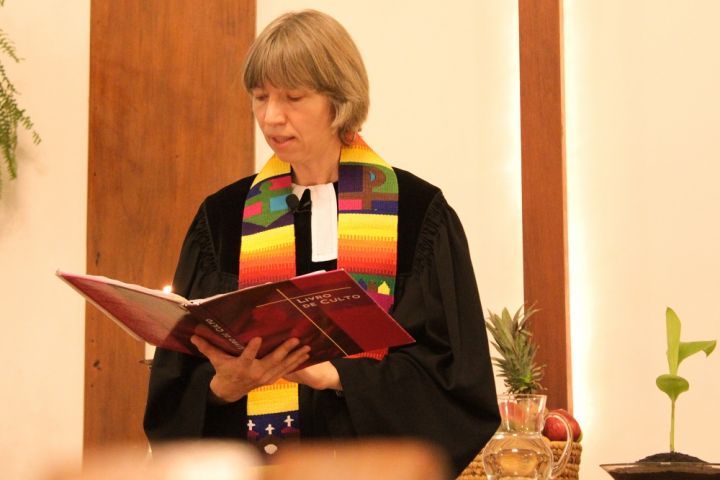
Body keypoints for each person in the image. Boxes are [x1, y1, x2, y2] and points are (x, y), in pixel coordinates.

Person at [144, 9, 500, 476]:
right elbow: (174, 391)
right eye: (260, 97)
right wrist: (222, 389)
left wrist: (335, 375)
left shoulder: (417, 216)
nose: (272, 116)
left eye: (293, 96)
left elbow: (457, 390)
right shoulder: (223, 219)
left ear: (341, 101)